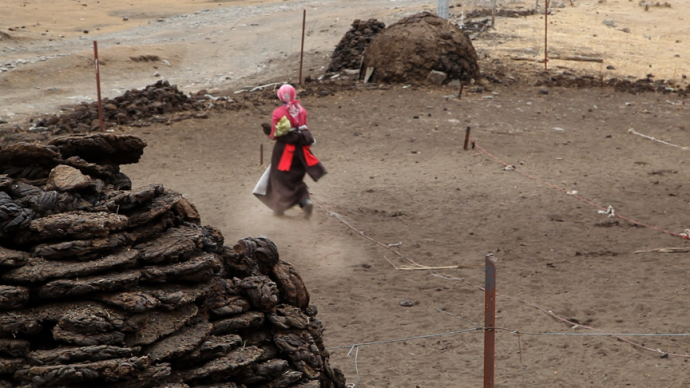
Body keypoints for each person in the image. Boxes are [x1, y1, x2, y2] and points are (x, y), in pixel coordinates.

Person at [253, 84, 326, 219]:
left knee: (278, 178)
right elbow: (304, 129)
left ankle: (278, 208)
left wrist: (270, 132)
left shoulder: (278, 113)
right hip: (301, 150)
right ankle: (305, 201)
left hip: (284, 151)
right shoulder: (302, 110)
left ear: (280, 96)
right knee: (296, 178)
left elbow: (275, 135)